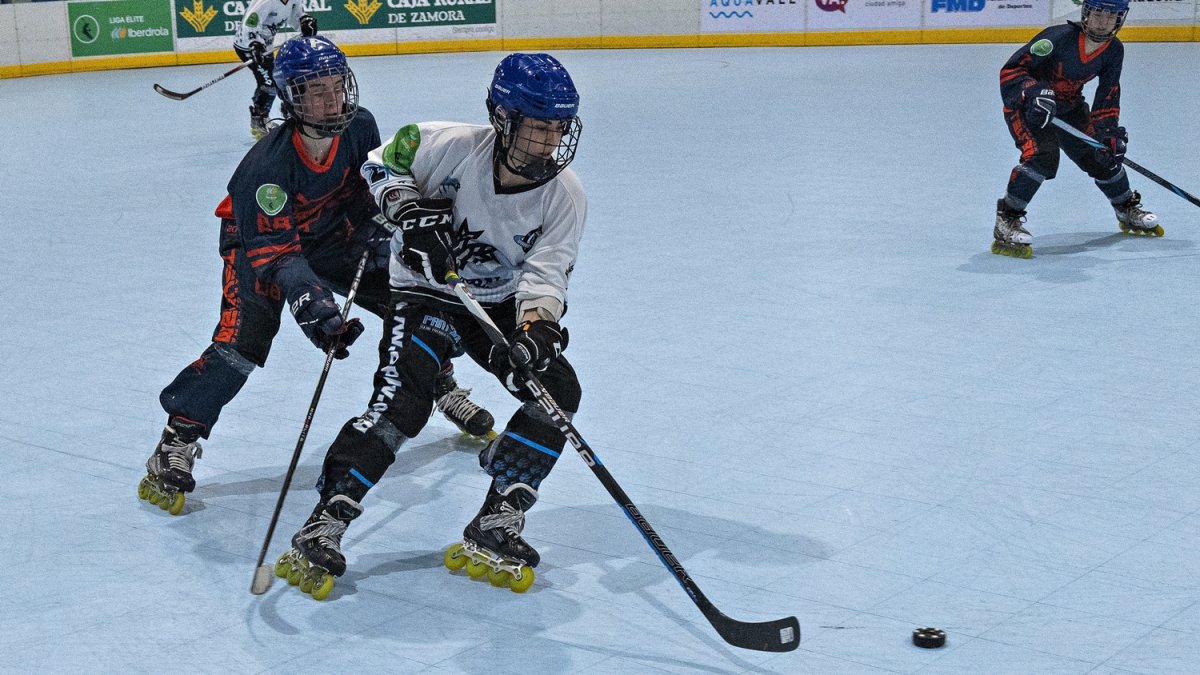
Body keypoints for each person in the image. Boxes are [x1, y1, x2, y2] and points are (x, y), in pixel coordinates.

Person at [139, 36, 493, 517]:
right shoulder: (265, 168)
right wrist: (314, 306)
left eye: (335, 86)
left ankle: (437, 381)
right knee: (244, 340)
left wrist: (375, 221)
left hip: (328, 233)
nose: (331, 100)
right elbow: (278, 251)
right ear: (290, 99)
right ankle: (179, 434)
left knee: (409, 296)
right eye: (315, 91)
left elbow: (363, 185)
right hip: (258, 243)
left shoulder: (360, 126)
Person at [275, 52, 586, 598]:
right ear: (503, 119)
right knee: (403, 404)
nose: (548, 143)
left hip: (497, 304)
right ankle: (326, 520)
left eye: (557, 129)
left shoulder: (565, 197)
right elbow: (379, 165)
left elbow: (546, 277)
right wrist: (407, 210)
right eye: (537, 128)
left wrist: (537, 332)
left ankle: (499, 515)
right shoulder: (441, 144)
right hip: (425, 294)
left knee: (556, 389)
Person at [993, 0, 1160, 259]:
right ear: (1086, 13)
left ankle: (1126, 208)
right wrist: (1032, 90)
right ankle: (1008, 219)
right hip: (1029, 109)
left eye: (1111, 15)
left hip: (1069, 109)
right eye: (1098, 13)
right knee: (1042, 157)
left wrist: (1108, 133)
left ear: (1120, 19)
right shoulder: (1056, 39)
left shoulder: (1114, 50)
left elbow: (1109, 93)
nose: (1103, 21)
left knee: (1103, 154)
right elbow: (1011, 71)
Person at [233, 0, 318, 140]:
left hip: (264, 48)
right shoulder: (266, 1)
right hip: (248, 47)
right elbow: (250, 23)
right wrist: (254, 44)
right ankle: (259, 121)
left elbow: (296, 16)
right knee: (269, 83)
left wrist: (305, 23)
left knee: (273, 80)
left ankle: (263, 116)